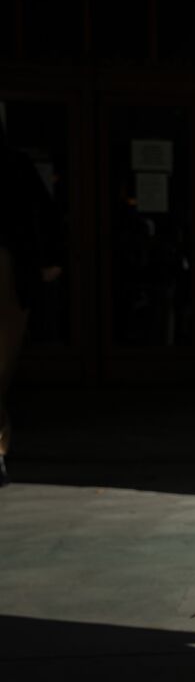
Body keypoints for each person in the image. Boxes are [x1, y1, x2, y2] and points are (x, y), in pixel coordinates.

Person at [0, 116, 66, 487]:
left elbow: (41, 213)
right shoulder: (17, 166)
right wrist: (48, 259)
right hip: (11, 267)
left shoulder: (15, 166)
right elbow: (43, 213)